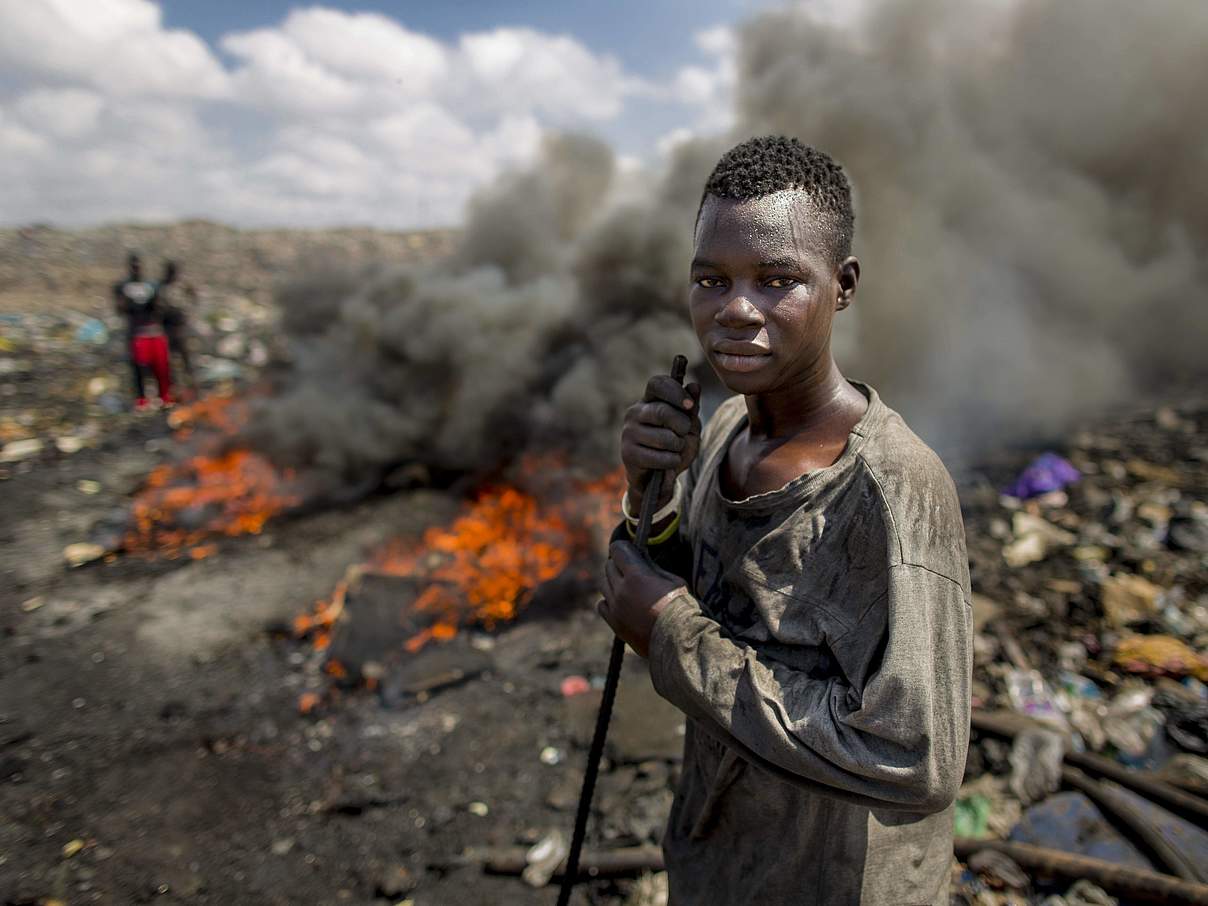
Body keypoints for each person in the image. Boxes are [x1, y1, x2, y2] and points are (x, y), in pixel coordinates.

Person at [598, 136, 972, 905]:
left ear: (843, 285)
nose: (736, 308)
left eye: (778, 279)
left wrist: (672, 632)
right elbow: (683, 582)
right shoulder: (729, 427)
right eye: (712, 278)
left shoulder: (891, 492)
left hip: (834, 882)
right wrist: (650, 498)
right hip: (724, 854)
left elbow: (916, 761)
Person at [113, 253, 172, 409]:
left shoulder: (150, 286)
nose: (136, 268)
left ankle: (164, 397)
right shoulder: (122, 287)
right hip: (137, 333)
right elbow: (119, 308)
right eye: (133, 265)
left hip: (154, 331)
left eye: (138, 265)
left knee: (161, 366)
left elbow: (160, 305)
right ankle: (141, 399)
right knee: (139, 367)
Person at [156, 260, 197, 399]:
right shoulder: (162, 287)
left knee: (185, 360)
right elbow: (157, 307)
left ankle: (192, 388)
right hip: (167, 329)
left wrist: (186, 313)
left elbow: (193, 296)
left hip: (180, 328)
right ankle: (174, 391)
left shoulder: (181, 285)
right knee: (170, 362)